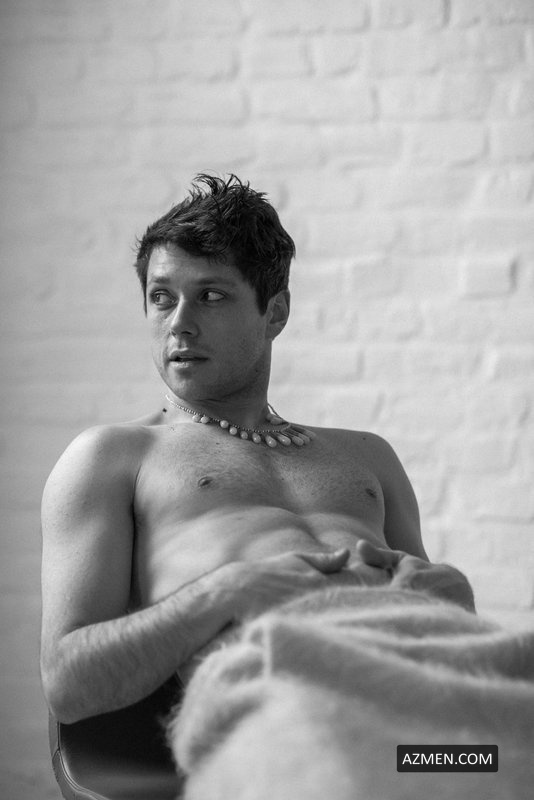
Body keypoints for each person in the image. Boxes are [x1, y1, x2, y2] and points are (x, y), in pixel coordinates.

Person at [40, 174, 474, 727]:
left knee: (484, 756)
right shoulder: (114, 457)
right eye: (161, 298)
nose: (179, 325)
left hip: (417, 718)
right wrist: (228, 591)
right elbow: (69, 684)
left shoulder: (368, 456)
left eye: (211, 296)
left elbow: (447, 631)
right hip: (282, 725)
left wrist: (451, 595)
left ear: (276, 312)